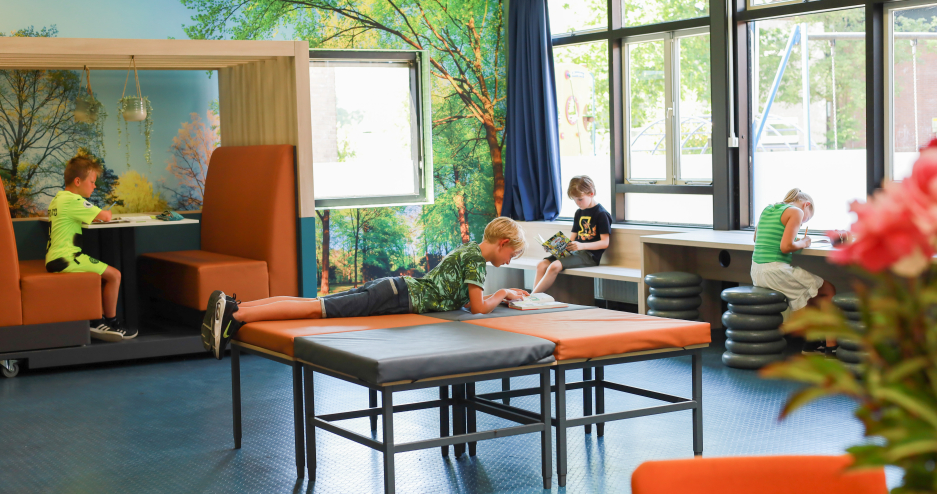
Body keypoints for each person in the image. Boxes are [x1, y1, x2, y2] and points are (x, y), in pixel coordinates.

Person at [202, 216, 531, 359]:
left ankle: (238, 305)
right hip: (396, 297)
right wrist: (502, 294)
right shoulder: (476, 262)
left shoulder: (469, 248)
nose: (509, 261)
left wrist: (497, 296)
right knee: (317, 309)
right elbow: (477, 308)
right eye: (512, 255)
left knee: (314, 302)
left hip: (392, 288)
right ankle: (237, 315)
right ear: (503, 243)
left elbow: (467, 300)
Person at [46, 153, 137, 342]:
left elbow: (79, 216)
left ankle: (99, 319)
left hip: (54, 257)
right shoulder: (73, 200)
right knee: (114, 275)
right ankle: (109, 322)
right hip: (67, 259)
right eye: (92, 182)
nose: (94, 186)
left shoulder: (58, 199)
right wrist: (106, 212)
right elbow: (105, 216)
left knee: (101, 273)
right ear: (78, 181)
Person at [752, 188, 835, 354]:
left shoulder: (768, 209)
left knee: (813, 292)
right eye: (806, 219)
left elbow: (756, 238)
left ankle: (812, 343)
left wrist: (796, 241)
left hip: (757, 272)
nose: (802, 223)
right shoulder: (796, 211)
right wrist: (804, 242)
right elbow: (786, 247)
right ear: (806, 205)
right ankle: (831, 347)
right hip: (775, 271)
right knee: (828, 290)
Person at [533, 175, 612, 295]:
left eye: (580, 199)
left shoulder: (601, 214)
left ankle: (532, 298)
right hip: (575, 252)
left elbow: (605, 243)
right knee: (541, 264)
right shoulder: (579, 213)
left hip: (589, 256)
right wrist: (555, 248)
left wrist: (582, 246)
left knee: (554, 266)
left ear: (591, 193)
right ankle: (534, 298)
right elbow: (571, 240)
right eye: (575, 200)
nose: (577, 203)